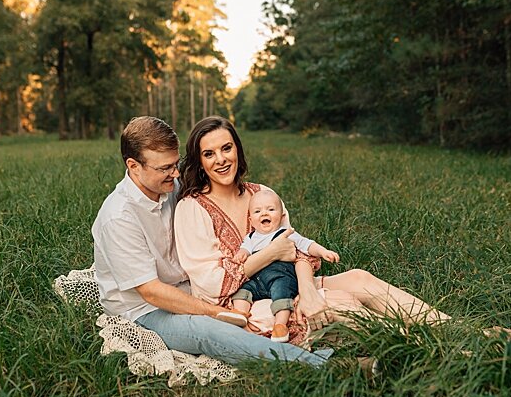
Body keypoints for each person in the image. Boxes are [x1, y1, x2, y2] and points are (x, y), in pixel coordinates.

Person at [173, 117, 448, 346]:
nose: (221, 159)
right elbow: (211, 285)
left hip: (286, 282)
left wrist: (307, 289)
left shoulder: (262, 195)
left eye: (226, 148)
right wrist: (270, 254)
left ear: (237, 150)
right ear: (199, 162)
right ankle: (422, 343)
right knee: (342, 301)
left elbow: (296, 249)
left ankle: (453, 329)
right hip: (238, 303)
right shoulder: (192, 208)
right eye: (209, 154)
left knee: (358, 278)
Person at [88, 116, 326, 365]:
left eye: (175, 163)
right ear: (133, 166)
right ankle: (318, 364)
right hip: (145, 310)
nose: (176, 173)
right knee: (212, 332)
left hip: (191, 286)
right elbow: (152, 292)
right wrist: (217, 313)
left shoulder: (171, 186)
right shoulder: (118, 218)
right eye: (165, 168)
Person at [227, 189, 343, 343]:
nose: (264, 214)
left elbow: (306, 244)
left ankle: (280, 325)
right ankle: (240, 314)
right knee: (243, 290)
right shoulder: (250, 237)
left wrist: (322, 251)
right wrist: (241, 253)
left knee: (281, 293)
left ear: (281, 217)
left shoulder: (286, 233)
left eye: (270, 209)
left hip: (281, 277)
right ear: (251, 220)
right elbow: (245, 249)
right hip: (258, 280)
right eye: (257, 211)